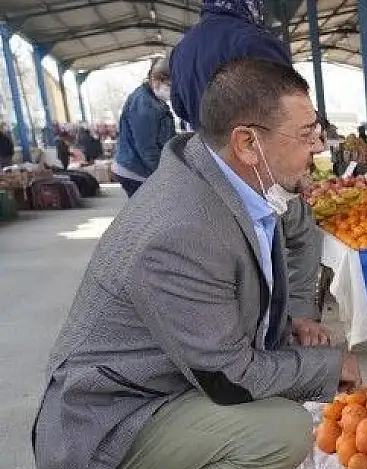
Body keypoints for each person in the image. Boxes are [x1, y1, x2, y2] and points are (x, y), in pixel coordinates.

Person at [32, 59, 362, 469]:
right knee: (284, 432)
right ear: (247, 142)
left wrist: (300, 312)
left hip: (178, 374)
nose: (318, 148)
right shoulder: (182, 230)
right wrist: (328, 365)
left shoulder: (240, 178)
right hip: (114, 414)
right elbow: (228, 377)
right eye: (306, 135)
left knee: (281, 390)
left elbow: (302, 232)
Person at [171, 0, 329, 347]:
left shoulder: (182, 51)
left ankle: (258, 329)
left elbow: (182, 109)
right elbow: (287, 104)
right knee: (296, 232)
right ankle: (291, 323)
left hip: (212, 164)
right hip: (255, 163)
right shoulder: (253, 40)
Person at [170, 0, 290, 129]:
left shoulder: (180, 50)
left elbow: (179, 108)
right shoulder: (255, 40)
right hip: (258, 144)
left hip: (208, 144)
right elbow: (291, 104)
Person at [112, 58, 176, 197]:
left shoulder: (154, 100)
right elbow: (146, 147)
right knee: (149, 213)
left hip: (140, 167)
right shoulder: (144, 103)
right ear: (156, 80)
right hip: (136, 170)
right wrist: (163, 175)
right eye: (170, 85)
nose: (173, 90)